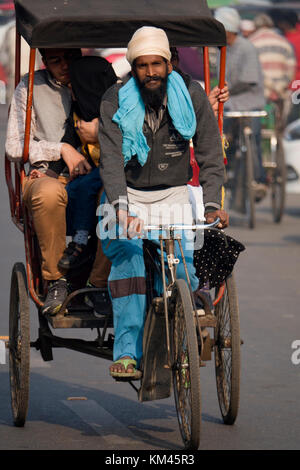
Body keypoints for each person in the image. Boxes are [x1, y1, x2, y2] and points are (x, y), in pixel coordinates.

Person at [97, 26, 228, 379]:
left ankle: (181, 328)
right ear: (134, 67)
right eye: (143, 65)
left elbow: (211, 155)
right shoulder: (114, 99)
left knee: (184, 263)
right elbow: (110, 162)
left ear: (170, 64)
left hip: (174, 195)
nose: (151, 72)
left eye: (157, 64)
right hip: (125, 196)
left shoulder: (193, 95)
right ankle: (126, 353)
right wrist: (122, 209)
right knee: (130, 260)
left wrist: (213, 204)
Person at [5, 48, 93, 316]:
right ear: (45, 63)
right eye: (56, 61)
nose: (65, 66)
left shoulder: (96, 78)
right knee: (48, 193)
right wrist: (61, 150)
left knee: (117, 196)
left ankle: (100, 280)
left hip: (95, 173)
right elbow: (14, 145)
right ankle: (56, 280)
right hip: (46, 176)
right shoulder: (30, 85)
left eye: (70, 58)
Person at [53, 56, 118, 271]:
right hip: (98, 169)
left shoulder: (115, 109)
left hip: (121, 166)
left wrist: (99, 133)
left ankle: (80, 239)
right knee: (73, 187)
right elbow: (68, 141)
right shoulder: (79, 112)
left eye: (75, 85)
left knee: (86, 184)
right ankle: (85, 238)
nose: (71, 89)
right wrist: (51, 174)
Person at [214, 7, 267, 199]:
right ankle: (228, 172)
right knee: (223, 139)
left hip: (250, 102)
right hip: (231, 104)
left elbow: (249, 79)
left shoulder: (246, 47)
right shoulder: (222, 50)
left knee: (253, 139)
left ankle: (259, 179)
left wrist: (227, 88)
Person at [249, 13, 296, 119]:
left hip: (260, 93)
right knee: (280, 127)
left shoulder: (251, 42)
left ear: (256, 26)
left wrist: (270, 87)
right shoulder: (284, 42)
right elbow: (290, 69)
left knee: (259, 128)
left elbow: (253, 70)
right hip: (281, 92)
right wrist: (278, 87)